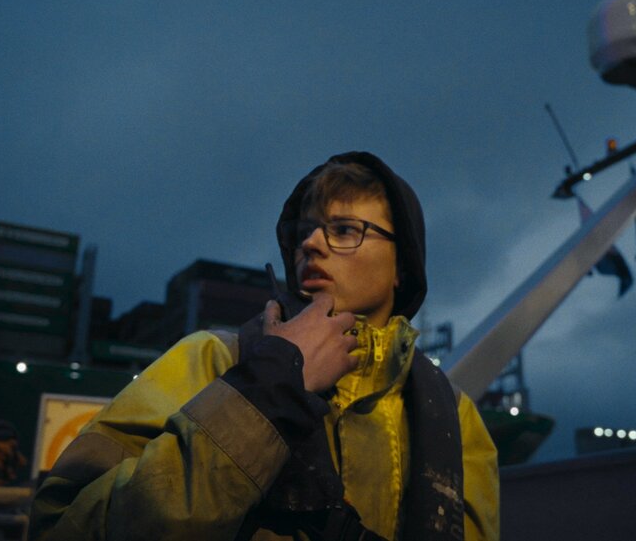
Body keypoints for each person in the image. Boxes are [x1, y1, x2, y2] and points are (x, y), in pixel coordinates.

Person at [29, 151, 499, 540]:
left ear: (403, 266)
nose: (311, 244)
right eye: (304, 232)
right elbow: (60, 525)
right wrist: (271, 385)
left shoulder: (454, 416)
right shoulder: (212, 359)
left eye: (343, 230)